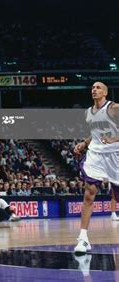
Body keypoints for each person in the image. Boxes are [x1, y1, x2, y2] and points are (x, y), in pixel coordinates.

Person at [73, 82, 119, 253]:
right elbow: (94, 133)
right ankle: (83, 238)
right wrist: (84, 143)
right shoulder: (88, 112)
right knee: (89, 195)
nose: (94, 89)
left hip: (115, 155)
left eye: (98, 87)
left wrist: (114, 139)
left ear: (105, 92)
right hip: (95, 155)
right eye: (92, 87)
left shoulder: (113, 108)